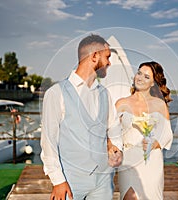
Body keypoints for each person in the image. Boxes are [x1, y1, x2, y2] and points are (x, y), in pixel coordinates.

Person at [40, 34, 123, 200]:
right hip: (70, 182)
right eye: (107, 57)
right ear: (94, 56)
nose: (109, 62)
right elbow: (48, 142)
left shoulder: (105, 94)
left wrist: (117, 149)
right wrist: (58, 181)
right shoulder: (56, 93)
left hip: (103, 182)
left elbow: (114, 128)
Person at [115, 61, 173, 200]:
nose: (140, 78)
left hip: (152, 159)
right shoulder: (121, 103)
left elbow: (167, 134)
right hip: (128, 159)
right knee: (130, 196)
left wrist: (154, 143)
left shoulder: (159, 104)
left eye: (146, 76)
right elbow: (111, 131)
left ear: (153, 83)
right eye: (139, 73)